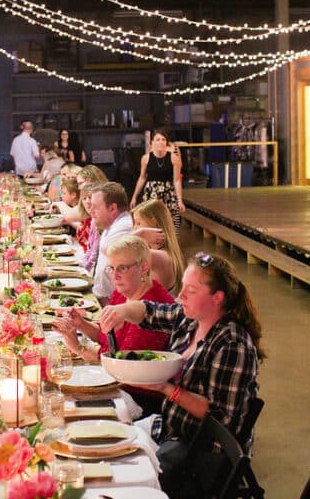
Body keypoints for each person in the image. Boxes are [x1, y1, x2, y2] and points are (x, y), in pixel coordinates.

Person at [98, 252, 264, 491]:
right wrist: (122, 311)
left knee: (120, 477)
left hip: (202, 449)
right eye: (183, 287)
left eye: (191, 291)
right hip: (170, 428)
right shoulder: (190, 320)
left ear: (217, 298)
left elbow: (220, 417)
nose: (180, 295)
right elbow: (148, 311)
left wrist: (166, 388)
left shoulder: (232, 345)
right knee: (107, 440)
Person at [53, 235, 174, 415]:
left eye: (122, 268)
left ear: (144, 268)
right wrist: (82, 324)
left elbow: (120, 366)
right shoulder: (123, 292)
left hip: (137, 399)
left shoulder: (154, 307)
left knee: (59, 402)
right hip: (114, 383)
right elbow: (106, 337)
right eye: (112, 268)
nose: (115, 276)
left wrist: (78, 347)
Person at [131, 130, 185, 231]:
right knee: (151, 221)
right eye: (158, 140)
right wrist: (134, 196)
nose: (160, 142)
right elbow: (142, 177)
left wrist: (180, 200)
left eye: (163, 140)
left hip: (168, 193)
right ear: (152, 142)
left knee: (171, 222)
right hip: (151, 193)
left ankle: (171, 244)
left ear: (166, 142)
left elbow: (177, 180)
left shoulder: (173, 158)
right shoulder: (146, 158)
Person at [90, 182, 133, 306]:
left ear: (112, 208)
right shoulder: (111, 224)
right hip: (103, 300)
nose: (91, 211)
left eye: (95, 207)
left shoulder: (124, 226)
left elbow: (110, 252)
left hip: (114, 306)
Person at [133, 199, 185, 294]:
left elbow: (115, 251)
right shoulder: (155, 251)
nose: (134, 229)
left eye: (138, 224)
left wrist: (139, 234)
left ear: (154, 222)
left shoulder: (160, 255)